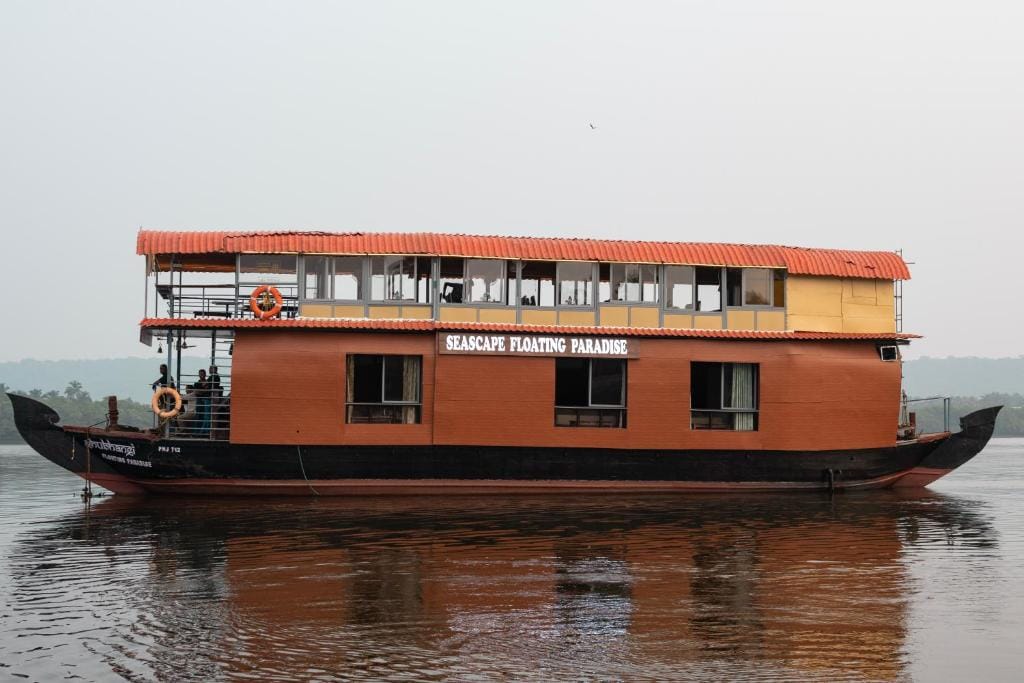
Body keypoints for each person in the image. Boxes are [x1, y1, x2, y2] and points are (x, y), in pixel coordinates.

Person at [194, 369, 211, 436]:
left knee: (205, 417)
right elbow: (196, 392)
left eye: (202, 374)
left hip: (205, 401)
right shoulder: (196, 383)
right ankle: (197, 433)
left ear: (205, 374)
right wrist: (204, 390)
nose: (201, 375)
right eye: (200, 374)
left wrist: (201, 391)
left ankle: (203, 433)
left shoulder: (208, 383)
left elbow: (208, 391)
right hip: (199, 402)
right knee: (198, 416)